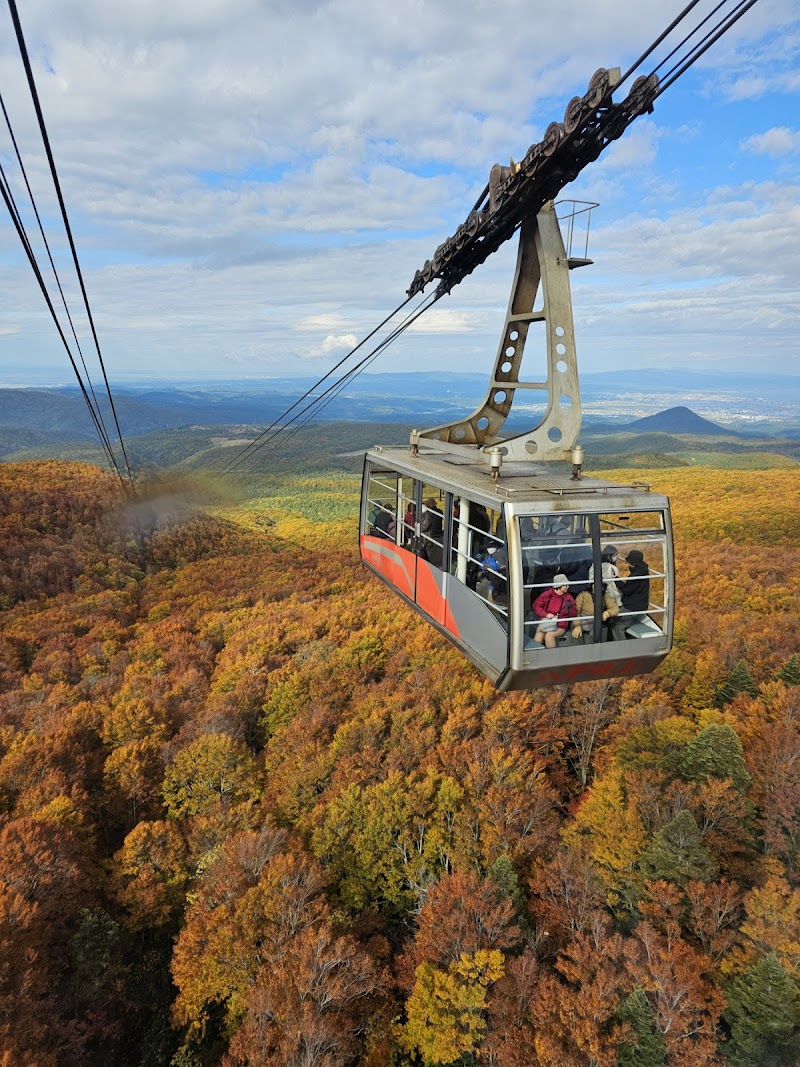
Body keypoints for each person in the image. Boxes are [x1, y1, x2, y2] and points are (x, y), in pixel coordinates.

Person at [531, 574, 577, 649]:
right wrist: (545, 614)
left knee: (549, 636)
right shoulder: (547, 594)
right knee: (538, 638)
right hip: (546, 621)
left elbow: (573, 614)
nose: (568, 587)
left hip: (560, 625)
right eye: (565, 585)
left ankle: (551, 657)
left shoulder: (568, 598)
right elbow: (536, 605)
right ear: (559, 586)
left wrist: (571, 607)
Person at [619, 549, 650, 632]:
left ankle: (620, 644)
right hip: (642, 604)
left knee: (618, 626)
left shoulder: (635, 576)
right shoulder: (644, 572)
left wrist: (616, 580)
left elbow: (627, 590)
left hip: (633, 607)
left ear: (632, 563)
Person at [420, 496, 444, 567]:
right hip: (439, 532)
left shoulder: (428, 513)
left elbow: (425, 526)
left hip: (431, 534)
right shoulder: (440, 511)